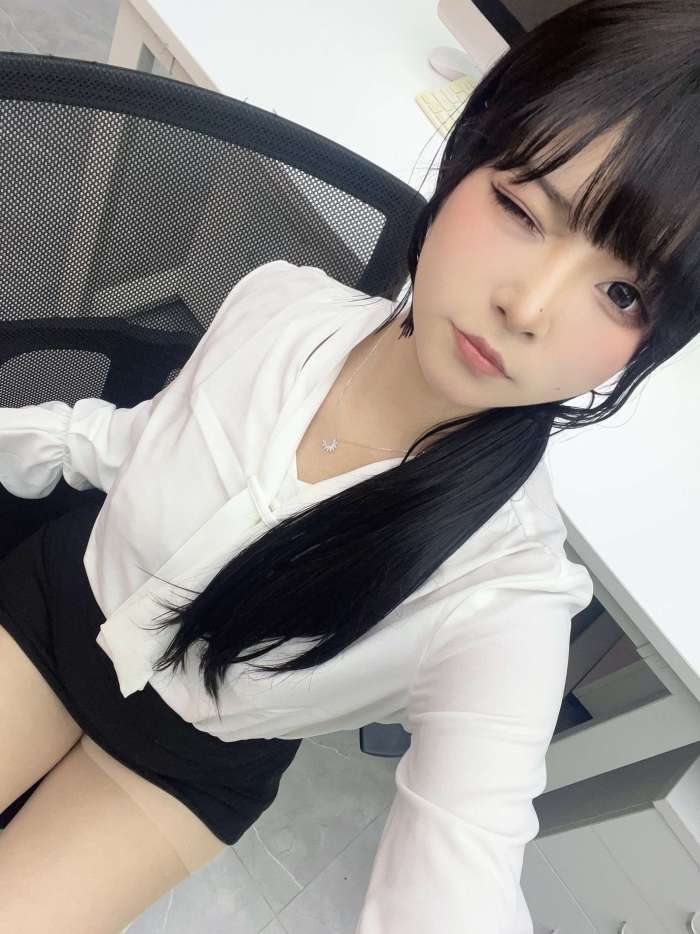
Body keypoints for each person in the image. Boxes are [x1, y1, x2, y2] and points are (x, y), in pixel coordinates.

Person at [0, 0, 697, 930]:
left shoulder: (508, 599)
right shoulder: (278, 304)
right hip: (61, 604)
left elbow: (462, 865)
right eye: (522, 208)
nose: (528, 307)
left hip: (180, 768)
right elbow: (130, 442)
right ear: (466, 160)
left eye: (620, 292)